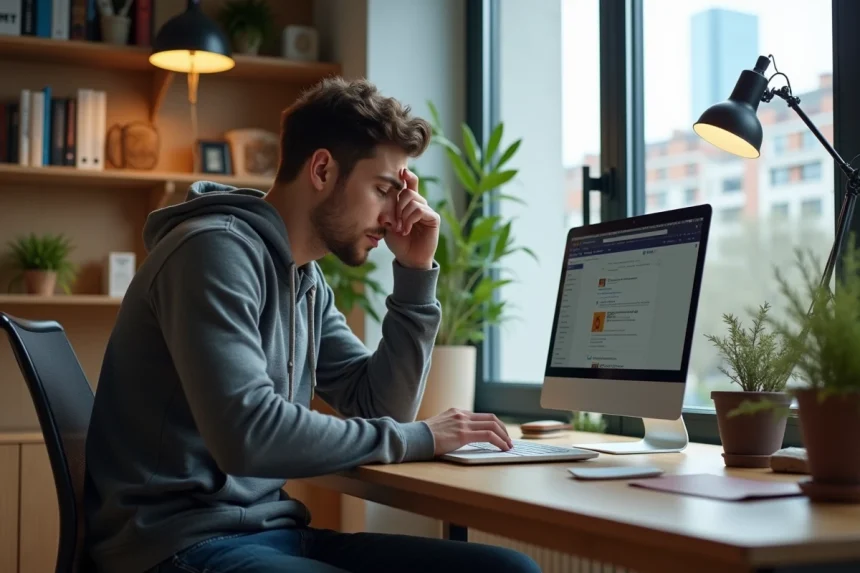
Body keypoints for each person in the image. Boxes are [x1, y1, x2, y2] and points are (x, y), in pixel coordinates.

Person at [83, 77, 540, 573]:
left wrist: (414, 272)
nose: (394, 217)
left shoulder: (305, 279)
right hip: (176, 544)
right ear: (322, 169)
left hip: (269, 534)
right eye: (383, 190)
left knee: (509, 570)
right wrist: (422, 437)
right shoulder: (212, 251)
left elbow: (381, 406)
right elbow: (249, 433)